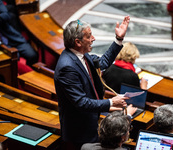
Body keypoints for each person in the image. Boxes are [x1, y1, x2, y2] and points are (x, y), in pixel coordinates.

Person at [54, 16, 136, 150]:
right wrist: (110, 103)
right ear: (78, 42)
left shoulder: (81, 55)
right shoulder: (67, 67)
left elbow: (102, 63)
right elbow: (81, 102)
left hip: (89, 123)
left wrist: (118, 39)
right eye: (89, 36)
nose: (93, 39)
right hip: (79, 132)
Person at [0, 0, 38, 66]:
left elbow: (6, 15)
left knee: (32, 55)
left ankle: (29, 72)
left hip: (10, 36)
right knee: (16, 57)